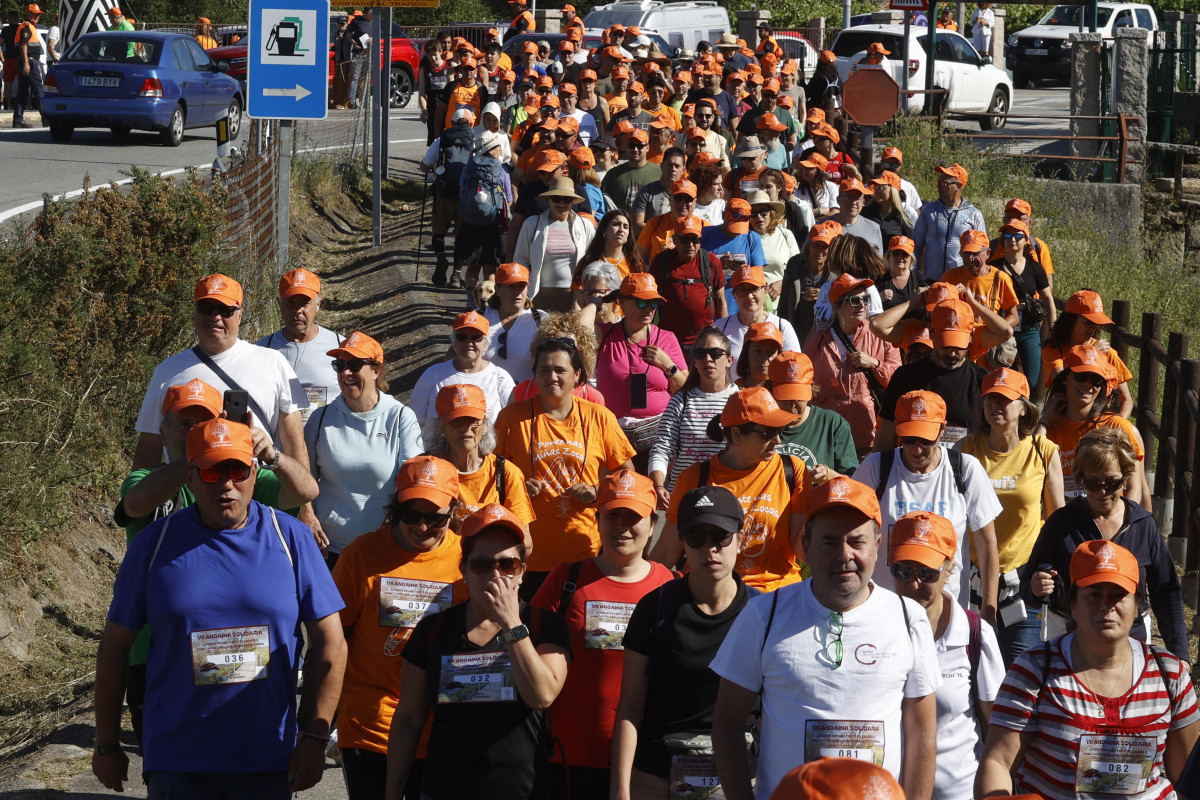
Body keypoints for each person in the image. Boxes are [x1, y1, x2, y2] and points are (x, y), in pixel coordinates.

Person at [92, 419, 347, 796]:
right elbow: (114, 648)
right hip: (178, 760)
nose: (226, 483)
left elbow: (332, 644)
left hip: (267, 757)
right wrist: (106, 744)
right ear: (190, 477)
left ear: (254, 472)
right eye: (212, 471)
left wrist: (313, 737)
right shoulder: (153, 545)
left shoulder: (290, 538)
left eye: (237, 469)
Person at [111, 379, 319, 745]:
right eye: (184, 424)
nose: (194, 431)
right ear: (162, 430)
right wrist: (197, 458)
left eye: (203, 423)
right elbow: (135, 505)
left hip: (234, 646)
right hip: (156, 650)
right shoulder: (147, 479)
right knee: (169, 759)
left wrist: (269, 454)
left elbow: (305, 491)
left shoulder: (239, 478)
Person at [709, 476, 940, 799]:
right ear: (805, 545)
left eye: (856, 542)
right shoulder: (763, 615)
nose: (844, 555)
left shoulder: (908, 618)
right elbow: (727, 725)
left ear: (877, 546)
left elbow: (923, 735)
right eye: (830, 542)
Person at [977, 539, 1199, 798]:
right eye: (1094, 594)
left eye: (1118, 594)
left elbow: (1186, 778)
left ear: (1137, 604)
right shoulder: (1035, 670)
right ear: (1073, 604)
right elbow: (999, 762)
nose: (1106, 605)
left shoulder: (1169, 674)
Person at [384, 504, 571, 799]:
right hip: (444, 790)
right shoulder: (434, 630)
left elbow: (541, 695)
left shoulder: (544, 626)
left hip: (521, 791)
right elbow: (408, 718)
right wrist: (392, 794)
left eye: (507, 565)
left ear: (522, 572)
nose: (496, 576)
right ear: (465, 571)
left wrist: (511, 623)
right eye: (482, 565)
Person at [330, 456, 468, 800]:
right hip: (372, 727)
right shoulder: (361, 555)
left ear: (453, 511)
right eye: (411, 515)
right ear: (396, 505)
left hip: (444, 729)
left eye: (435, 518)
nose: (422, 527)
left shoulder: (469, 560)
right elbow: (333, 641)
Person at [530, 470, 673, 799]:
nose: (622, 526)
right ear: (597, 520)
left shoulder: (671, 587)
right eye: (613, 515)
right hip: (566, 756)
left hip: (644, 763)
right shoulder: (567, 579)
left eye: (633, 516)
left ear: (653, 524)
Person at [611, 485, 759, 799]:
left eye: (720, 536)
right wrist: (620, 789)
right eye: (697, 537)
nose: (710, 548)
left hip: (741, 780)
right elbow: (630, 707)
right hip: (657, 780)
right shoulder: (655, 609)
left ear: (740, 539)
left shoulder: (762, 614)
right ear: (682, 543)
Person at [1024, 428, 1188, 661]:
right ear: (1080, 479)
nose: (1103, 491)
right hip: (1069, 642)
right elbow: (1029, 587)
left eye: (1112, 483)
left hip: (1131, 642)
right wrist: (1036, 587)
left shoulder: (1143, 525)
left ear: (1125, 478)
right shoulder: (1061, 523)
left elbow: (1167, 593)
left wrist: (1180, 656)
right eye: (1092, 483)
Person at [494, 337, 636, 593]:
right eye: (544, 370)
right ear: (535, 375)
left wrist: (597, 491)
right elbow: (490, 474)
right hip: (527, 553)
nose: (552, 377)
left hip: (583, 550)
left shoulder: (599, 416)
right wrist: (517, 487)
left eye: (560, 370)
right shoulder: (511, 417)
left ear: (577, 374)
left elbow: (628, 475)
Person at [133, 274, 309, 472]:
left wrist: (304, 500)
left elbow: (295, 443)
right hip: (189, 493)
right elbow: (149, 449)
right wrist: (136, 499)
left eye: (226, 310)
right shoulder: (166, 372)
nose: (215, 316)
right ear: (195, 312)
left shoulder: (273, 362)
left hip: (256, 488)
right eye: (206, 308)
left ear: (240, 314)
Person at [854, 389, 1002, 623]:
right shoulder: (875, 468)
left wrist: (989, 608)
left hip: (946, 614)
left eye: (926, 439)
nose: (917, 449)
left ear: (942, 430)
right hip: (885, 612)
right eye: (909, 439)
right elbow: (852, 536)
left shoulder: (965, 470)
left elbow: (987, 543)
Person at [888, 510, 1005, 800]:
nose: (913, 583)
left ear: (949, 570)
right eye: (902, 570)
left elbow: (999, 731)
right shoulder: (874, 630)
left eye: (926, 572)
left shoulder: (975, 634)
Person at [957, 368, 1063, 666]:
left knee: (1020, 674)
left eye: (1004, 399)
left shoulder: (1043, 451)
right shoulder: (965, 450)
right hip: (973, 584)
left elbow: (1057, 521)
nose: (995, 406)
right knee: (971, 672)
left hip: (1024, 586)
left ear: (1023, 407)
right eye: (990, 398)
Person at [652, 387, 807, 591]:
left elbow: (803, 549)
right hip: (712, 595)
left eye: (780, 430)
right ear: (736, 434)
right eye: (768, 432)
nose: (778, 440)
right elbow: (666, 553)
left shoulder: (792, 470)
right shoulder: (695, 477)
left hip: (776, 594)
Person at [303, 332, 423, 566]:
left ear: (377, 370)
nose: (346, 372)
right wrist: (306, 513)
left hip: (384, 546)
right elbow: (303, 477)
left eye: (356, 364)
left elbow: (412, 483)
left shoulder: (400, 417)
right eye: (340, 365)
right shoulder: (321, 418)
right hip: (330, 548)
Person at [577, 272, 687, 471]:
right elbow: (578, 329)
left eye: (653, 303)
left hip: (657, 435)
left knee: (658, 494)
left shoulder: (666, 338)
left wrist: (668, 365)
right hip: (613, 435)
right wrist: (597, 302)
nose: (649, 309)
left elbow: (685, 388)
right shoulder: (607, 334)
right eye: (641, 302)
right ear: (622, 303)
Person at [1040, 344, 1150, 506]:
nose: (1088, 384)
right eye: (1081, 376)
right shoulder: (1049, 429)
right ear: (1065, 378)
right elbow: (1031, 462)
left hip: (1110, 522)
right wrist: (1044, 419)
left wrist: (1121, 524)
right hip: (1064, 523)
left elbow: (1135, 488)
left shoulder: (1118, 427)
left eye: (1096, 380)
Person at [873, 299, 993, 449]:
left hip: (966, 468)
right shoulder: (905, 377)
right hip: (915, 468)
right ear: (931, 333)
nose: (952, 352)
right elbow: (886, 438)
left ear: (971, 337)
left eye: (959, 345)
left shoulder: (984, 381)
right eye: (946, 344)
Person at [806, 274, 901, 454]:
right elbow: (804, 379)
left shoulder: (881, 336)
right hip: (829, 434)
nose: (862, 305)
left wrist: (875, 364)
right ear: (838, 307)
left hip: (870, 432)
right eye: (854, 300)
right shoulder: (819, 341)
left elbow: (899, 378)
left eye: (865, 299)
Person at [647, 326, 739, 504]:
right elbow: (662, 448)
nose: (708, 359)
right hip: (684, 497)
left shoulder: (741, 400)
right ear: (694, 361)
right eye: (700, 353)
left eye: (715, 353)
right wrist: (658, 485)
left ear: (729, 360)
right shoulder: (681, 400)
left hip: (726, 497)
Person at [256, 268, 342, 422]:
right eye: (291, 303)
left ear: (318, 304)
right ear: (279, 304)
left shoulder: (341, 348)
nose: (298, 311)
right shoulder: (261, 351)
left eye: (305, 303)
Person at [409, 311, 516, 428]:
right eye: (462, 337)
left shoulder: (500, 377)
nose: (469, 343)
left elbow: (512, 421)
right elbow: (413, 421)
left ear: (486, 344)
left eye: (476, 337)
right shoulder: (432, 374)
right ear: (453, 342)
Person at [1042, 289, 1134, 417]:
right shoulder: (1053, 350)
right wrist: (1092, 353)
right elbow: (1060, 380)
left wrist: (1115, 429)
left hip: (1101, 426)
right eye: (1089, 323)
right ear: (1070, 320)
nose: (1094, 328)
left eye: (1097, 324)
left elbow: (1126, 401)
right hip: (1065, 421)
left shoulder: (1108, 353)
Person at [771, 351, 859, 480]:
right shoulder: (760, 423)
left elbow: (854, 482)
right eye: (785, 397)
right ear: (771, 391)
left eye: (798, 398)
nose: (792, 404)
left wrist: (829, 476)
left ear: (811, 391)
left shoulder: (832, 423)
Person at [514, 176, 597, 311]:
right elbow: (520, 260)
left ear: (573, 202)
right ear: (549, 200)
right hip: (539, 294)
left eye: (567, 199)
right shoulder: (531, 224)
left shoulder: (585, 225)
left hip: (576, 296)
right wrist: (521, 290)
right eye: (557, 199)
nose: (562, 204)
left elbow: (594, 260)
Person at [648, 214, 728, 350]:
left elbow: (721, 301)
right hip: (668, 340)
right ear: (674, 239)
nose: (690, 245)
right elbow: (650, 300)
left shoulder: (711, 261)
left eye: (695, 240)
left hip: (704, 342)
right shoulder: (661, 262)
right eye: (685, 240)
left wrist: (724, 338)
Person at [991, 218, 1055, 388]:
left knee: (1033, 380)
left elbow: (1047, 297)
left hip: (1028, 327)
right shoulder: (993, 267)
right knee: (999, 375)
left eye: (1017, 236)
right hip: (1001, 326)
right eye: (1007, 235)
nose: (1012, 239)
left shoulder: (1035, 267)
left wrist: (1052, 325)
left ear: (1026, 239)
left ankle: (1030, 411)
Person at [420, 107, 476, 285]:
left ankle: (440, 255)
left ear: (451, 123)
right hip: (464, 197)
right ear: (471, 123)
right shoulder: (475, 141)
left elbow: (425, 166)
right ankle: (456, 275)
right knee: (461, 237)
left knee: (438, 231)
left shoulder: (441, 140)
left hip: (443, 194)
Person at [714, 265, 802, 369]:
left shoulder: (781, 326)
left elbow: (795, 366)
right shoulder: (720, 327)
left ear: (765, 291)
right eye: (742, 290)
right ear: (734, 295)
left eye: (754, 289)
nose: (749, 296)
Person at [912, 164, 987, 280]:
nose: (939, 187)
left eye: (944, 183)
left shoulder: (974, 214)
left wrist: (978, 278)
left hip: (961, 281)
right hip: (931, 280)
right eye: (938, 182)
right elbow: (915, 246)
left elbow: (982, 250)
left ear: (958, 186)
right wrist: (914, 276)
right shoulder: (929, 210)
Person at [480, 263, 544, 385]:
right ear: (498, 290)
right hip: (487, 396)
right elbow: (455, 355)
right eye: (511, 286)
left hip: (526, 398)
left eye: (522, 286)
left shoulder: (540, 319)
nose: (517, 291)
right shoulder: (479, 317)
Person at [778, 221, 841, 345]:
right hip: (795, 334)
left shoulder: (836, 274)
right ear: (808, 247)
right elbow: (783, 305)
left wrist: (825, 295)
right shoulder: (794, 268)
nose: (819, 251)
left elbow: (842, 307)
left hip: (826, 337)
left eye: (825, 247)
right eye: (816, 245)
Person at [748, 191, 800, 301]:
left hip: (783, 302)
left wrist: (782, 283)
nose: (759, 216)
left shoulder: (785, 235)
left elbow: (798, 268)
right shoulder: (743, 238)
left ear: (771, 213)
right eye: (753, 212)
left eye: (763, 212)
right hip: (752, 302)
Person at [820, 178, 883, 255]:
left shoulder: (873, 228)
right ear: (838, 200)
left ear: (863, 202)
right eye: (848, 197)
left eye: (857, 198)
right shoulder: (822, 226)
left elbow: (879, 261)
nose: (853, 202)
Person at [602, 128, 660, 212]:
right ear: (626, 147)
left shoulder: (659, 173)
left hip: (649, 224)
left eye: (640, 146)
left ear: (647, 147)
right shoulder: (613, 174)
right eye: (631, 145)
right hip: (622, 223)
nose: (635, 149)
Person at [11, 3, 43, 130]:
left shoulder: (28, 26)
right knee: (38, 90)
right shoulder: (27, 26)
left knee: (22, 91)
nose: (37, 16)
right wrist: (26, 63)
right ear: (28, 14)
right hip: (29, 62)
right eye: (35, 14)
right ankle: (46, 118)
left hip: (27, 61)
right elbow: (24, 45)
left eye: (38, 14)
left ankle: (18, 119)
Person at [876, 235, 926, 311]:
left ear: (911, 258)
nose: (899, 257)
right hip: (889, 323)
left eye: (905, 254)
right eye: (896, 253)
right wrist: (877, 298)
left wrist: (927, 291)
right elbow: (866, 305)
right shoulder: (879, 280)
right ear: (889, 256)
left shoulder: (920, 281)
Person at [863, 171, 914, 242]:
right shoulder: (865, 212)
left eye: (881, 187)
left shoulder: (902, 218)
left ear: (893, 190)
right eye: (876, 187)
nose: (877, 190)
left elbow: (910, 245)